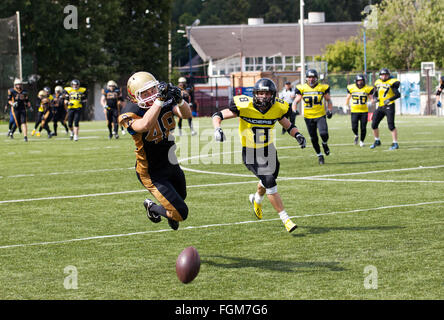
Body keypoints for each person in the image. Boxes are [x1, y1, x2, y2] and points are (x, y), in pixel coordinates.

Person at [212, 78, 306, 233]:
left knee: (269, 179)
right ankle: (286, 219)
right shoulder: (244, 105)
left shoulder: (277, 107)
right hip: (250, 151)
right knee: (269, 180)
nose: (262, 96)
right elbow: (218, 115)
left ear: (273, 95)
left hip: (269, 150)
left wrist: (298, 135)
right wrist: (217, 128)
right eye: (260, 93)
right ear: (255, 94)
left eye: (266, 93)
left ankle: (257, 198)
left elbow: (287, 125)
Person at [118, 71, 192, 230]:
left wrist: (179, 100)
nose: (151, 95)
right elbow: (144, 125)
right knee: (181, 212)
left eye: (153, 90)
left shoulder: (163, 100)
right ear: (134, 97)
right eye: (145, 93)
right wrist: (159, 100)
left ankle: (168, 212)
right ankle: (152, 208)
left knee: (180, 197)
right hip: (151, 172)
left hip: (170, 162)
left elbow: (186, 114)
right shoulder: (129, 112)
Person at [292, 69, 333, 165]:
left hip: (320, 115)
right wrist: (294, 110)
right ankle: (319, 155)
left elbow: (329, 100)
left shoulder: (322, 87)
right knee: (313, 138)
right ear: (306, 78)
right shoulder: (302, 88)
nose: (311, 79)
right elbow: (296, 101)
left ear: (317, 78)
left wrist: (330, 110)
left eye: (313, 77)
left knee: (323, 133)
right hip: (308, 117)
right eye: (309, 77)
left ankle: (324, 143)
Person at [370, 68, 401, 150]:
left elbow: (398, 94)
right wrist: (375, 98)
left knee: (391, 125)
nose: (384, 76)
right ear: (380, 75)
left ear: (388, 75)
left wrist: (389, 99)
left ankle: (395, 143)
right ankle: (377, 140)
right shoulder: (377, 82)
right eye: (383, 75)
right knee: (374, 124)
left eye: (386, 75)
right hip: (380, 106)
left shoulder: (392, 82)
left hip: (389, 106)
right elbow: (375, 93)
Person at [345, 74, 375, 147]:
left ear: (364, 81)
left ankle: (362, 141)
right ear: (356, 81)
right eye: (358, 81)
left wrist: (372, 102)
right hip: (354, 111)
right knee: (354, 127)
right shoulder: (351, 88)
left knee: (363, 127)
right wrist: (346, 105)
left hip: (364, 111)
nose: (360, 82)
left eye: (361, 81)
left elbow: (371, 98)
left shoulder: (367, 88)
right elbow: (348, 98)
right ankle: (356, 135)